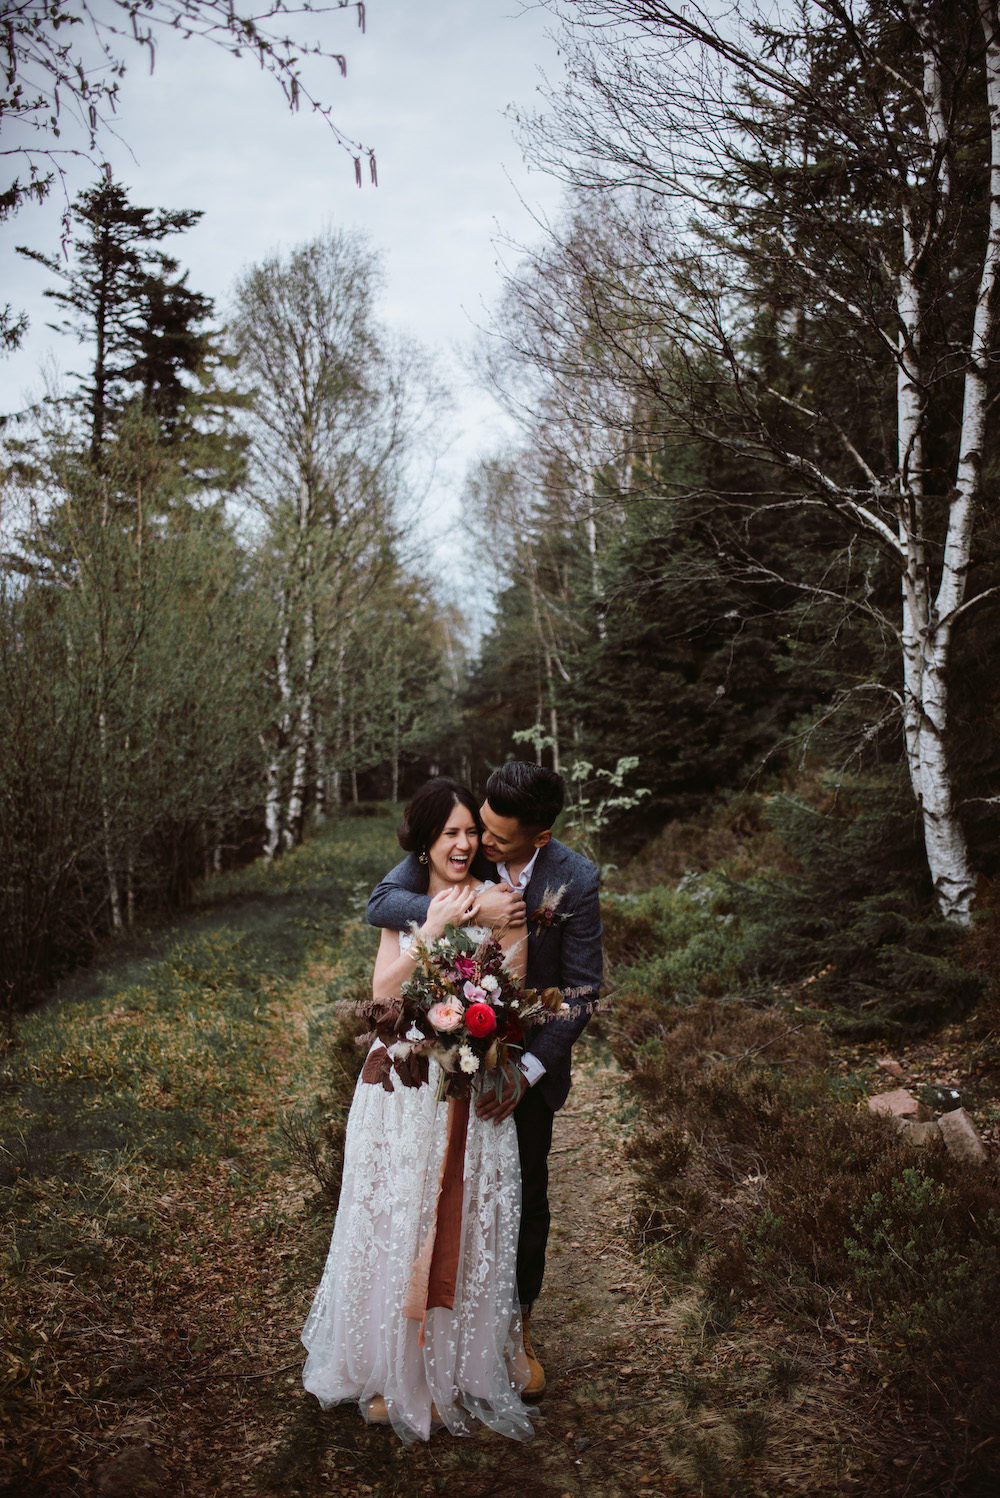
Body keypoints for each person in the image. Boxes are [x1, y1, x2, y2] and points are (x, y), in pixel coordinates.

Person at [301, 778, 535, 1445]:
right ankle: (392, 1368)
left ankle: (451, 1370)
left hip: (463, 1077)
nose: (463, 845)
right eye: (450, 833)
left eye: (470, 833)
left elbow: (510, 989)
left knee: (463, 1219)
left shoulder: (499, 901)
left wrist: (479, 1027)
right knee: (396, 1216)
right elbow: (383, 989)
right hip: (405, 1087)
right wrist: (432, 929)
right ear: (427, 841)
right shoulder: (405, 904)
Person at [366, 761, 604, 1399]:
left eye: (496, 838)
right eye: (478, 831)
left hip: (519, 1065)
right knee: (432, 1202)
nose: (482, 846)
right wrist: (465, 901)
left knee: (521, 1200)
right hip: (443, 1062)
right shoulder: (454, 848)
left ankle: (514, 1330)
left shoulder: (573, 880)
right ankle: (423, 1340)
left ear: (541, 837)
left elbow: (580, 992)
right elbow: (383, 902)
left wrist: (525, 1070)